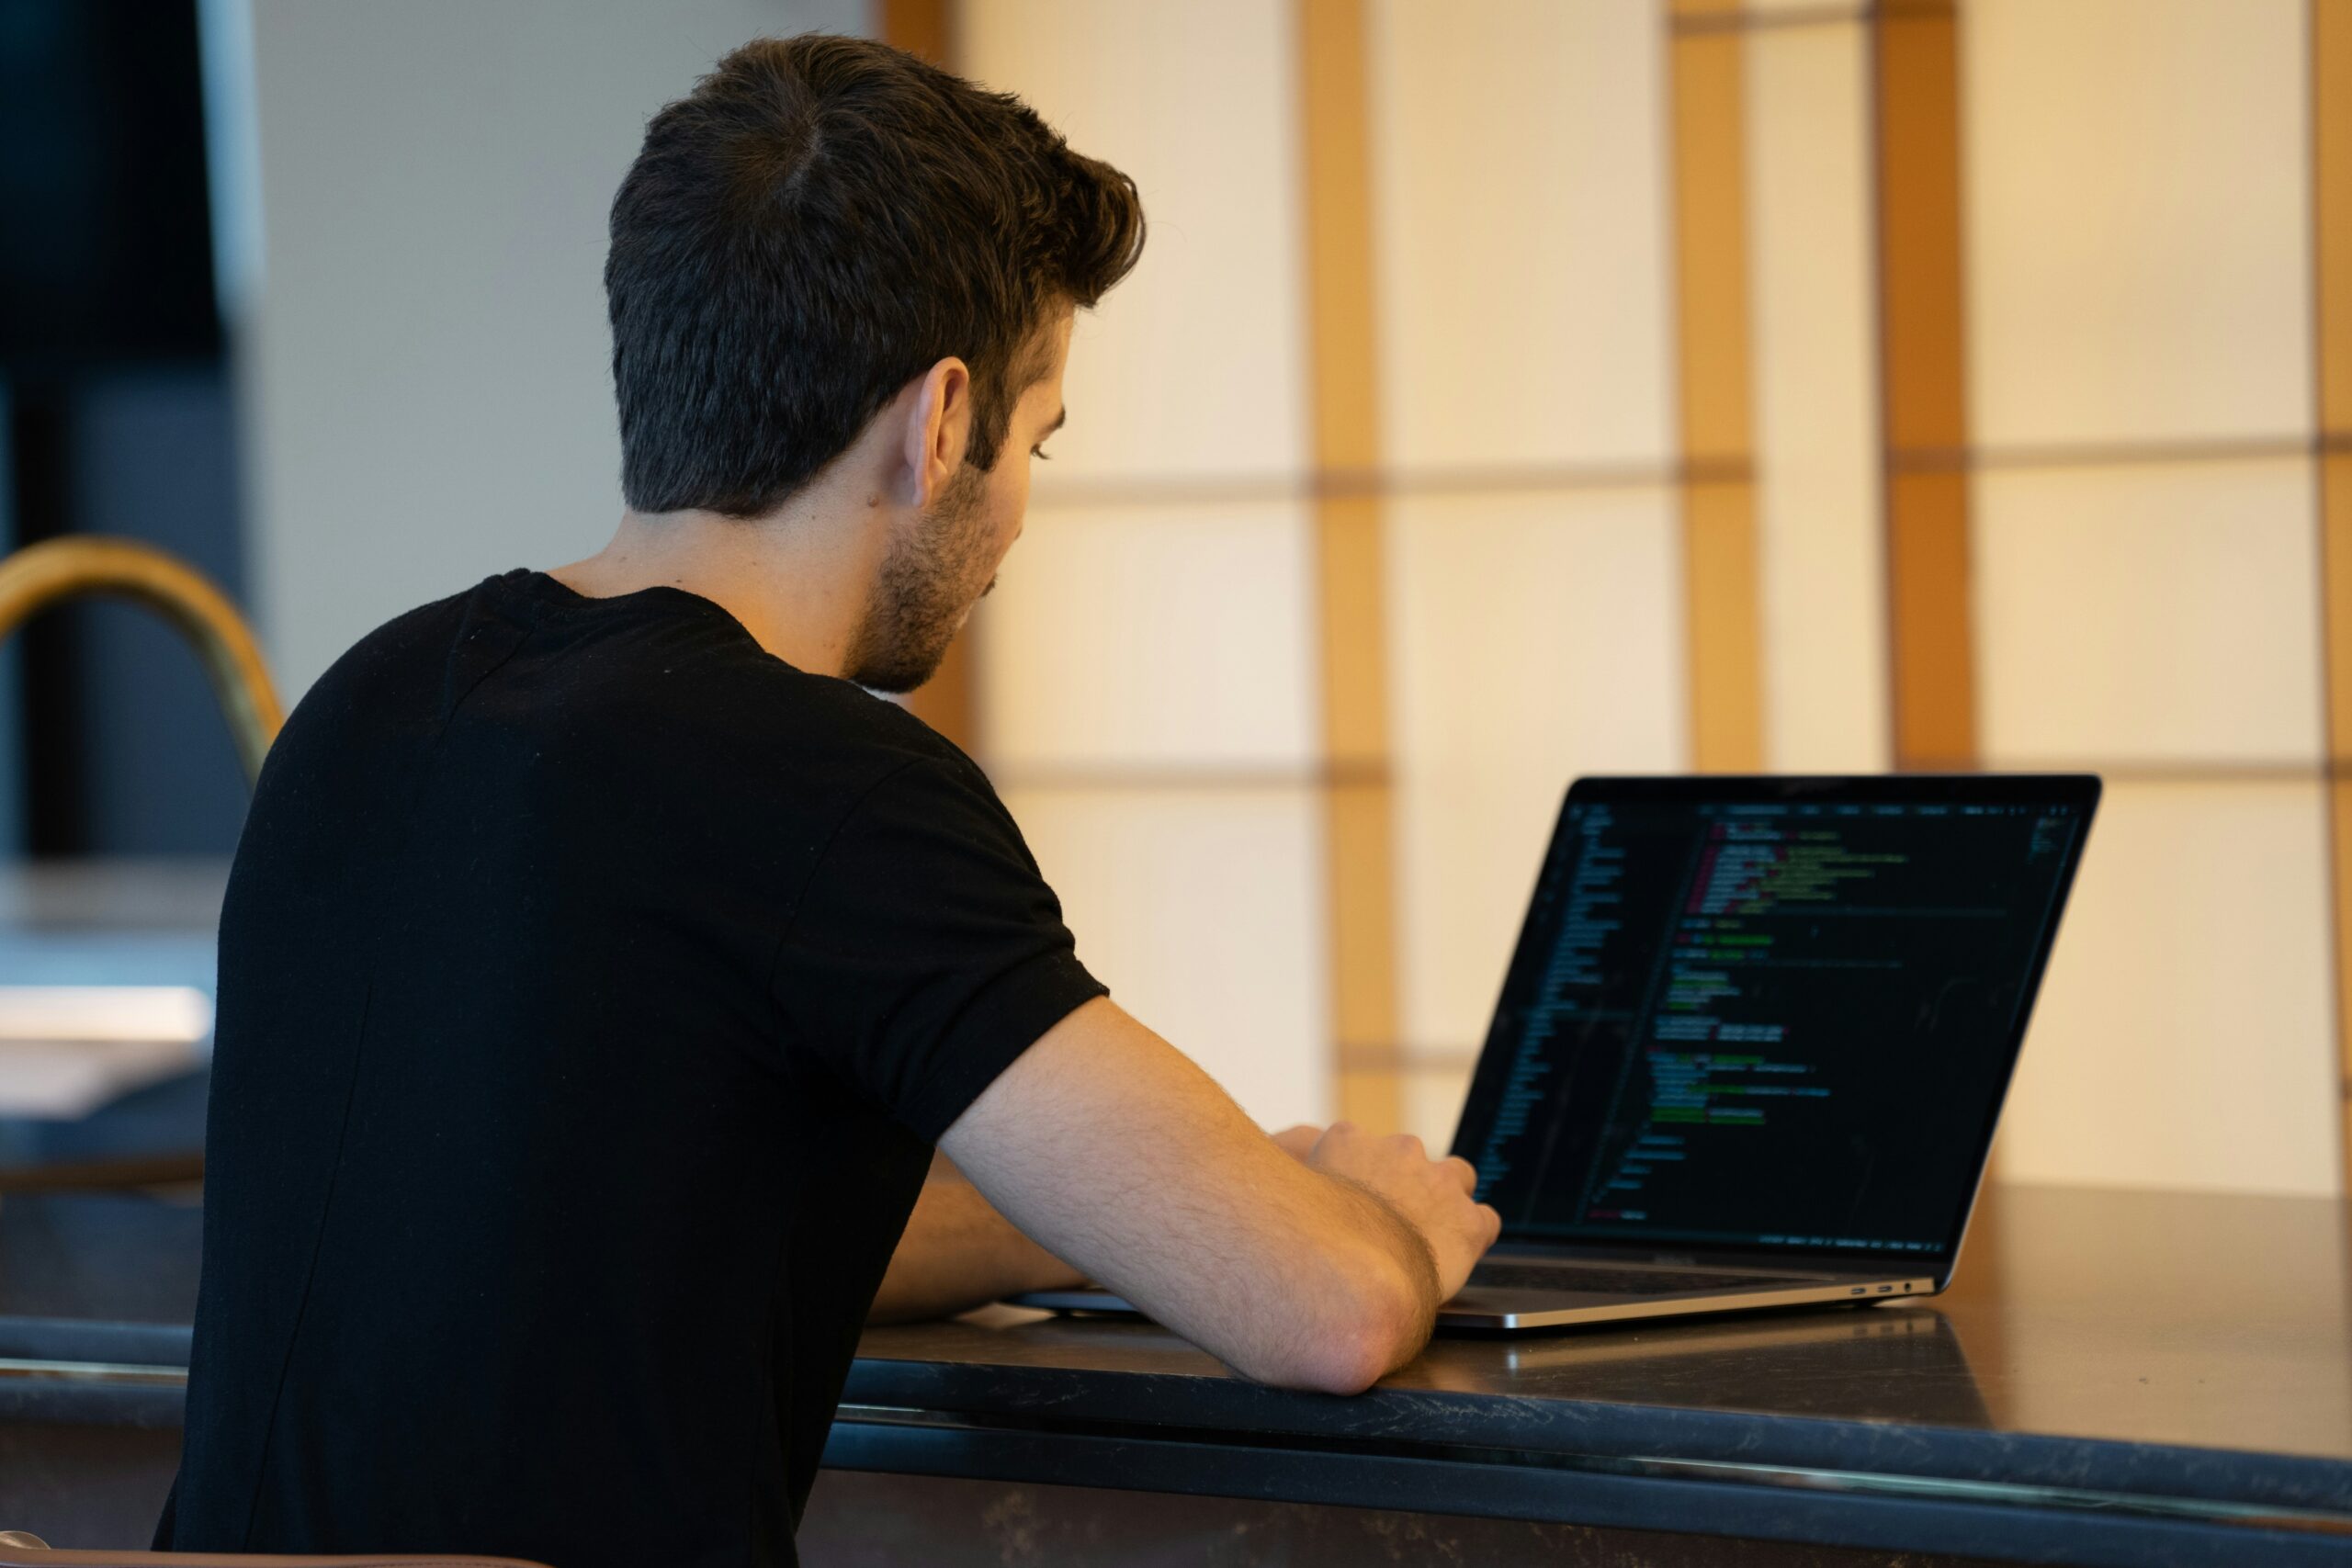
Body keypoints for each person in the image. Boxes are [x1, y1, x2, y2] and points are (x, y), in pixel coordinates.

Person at [157, 34, 1498, 1568]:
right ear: (940, 424)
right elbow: (1328, 1313)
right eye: (1037, 436)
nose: (1016, 519)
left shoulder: (375, 699)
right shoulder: (827, 787)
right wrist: (1384, 1219)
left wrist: (1162, 1210)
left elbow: (645, 1212)